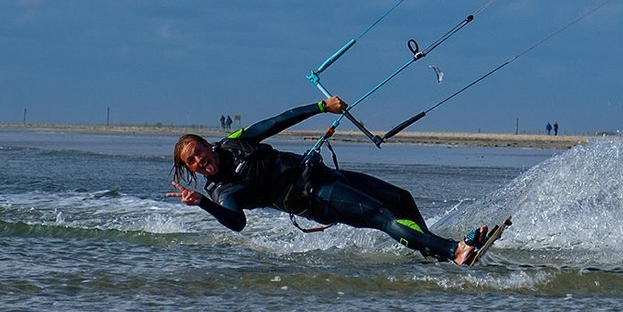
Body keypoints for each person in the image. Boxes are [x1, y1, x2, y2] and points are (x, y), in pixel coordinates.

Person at [169, 95, 493, 264]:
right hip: (313, 198)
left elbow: (276, 122)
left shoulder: (233, 142)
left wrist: (321, 106)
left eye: (199, 152)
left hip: (323, 175)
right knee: (383, 215)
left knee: (401, 199)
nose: (201, 161)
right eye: (193, 162)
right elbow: (236, 222)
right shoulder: (223, 191)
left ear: (207, 145)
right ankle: (453, 251)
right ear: (192, 170)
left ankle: (434, 251)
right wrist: (203, 204)